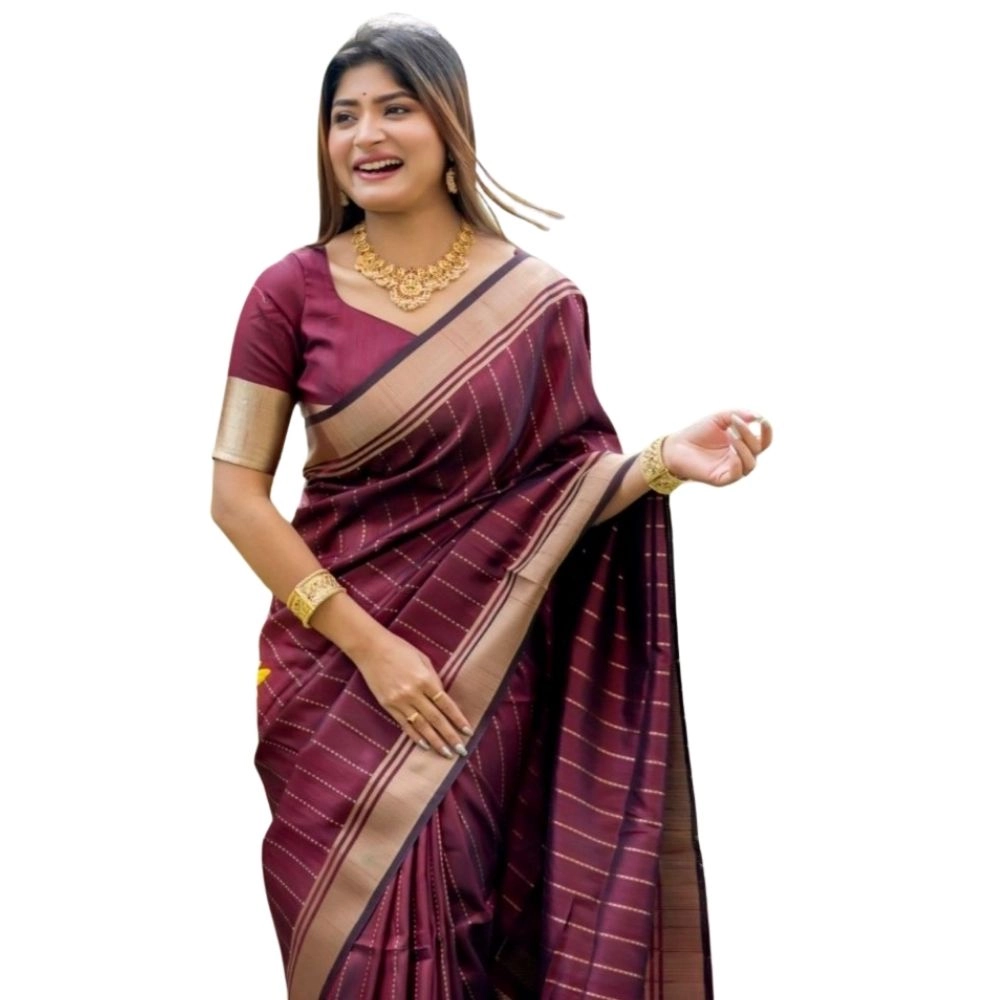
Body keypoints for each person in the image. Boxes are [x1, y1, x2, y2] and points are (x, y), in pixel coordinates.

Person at [212, 15, 771, 1000]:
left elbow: (556, 491)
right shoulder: (288, 294)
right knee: (342, 954)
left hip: (475, 672)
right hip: (331, 672)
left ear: (450, 126)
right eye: (343, 115)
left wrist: (659, 463)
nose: (365, 135)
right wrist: (372, 648)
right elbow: (234, 496)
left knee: (465, 927)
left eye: (395, 108)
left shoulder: (539, 304)